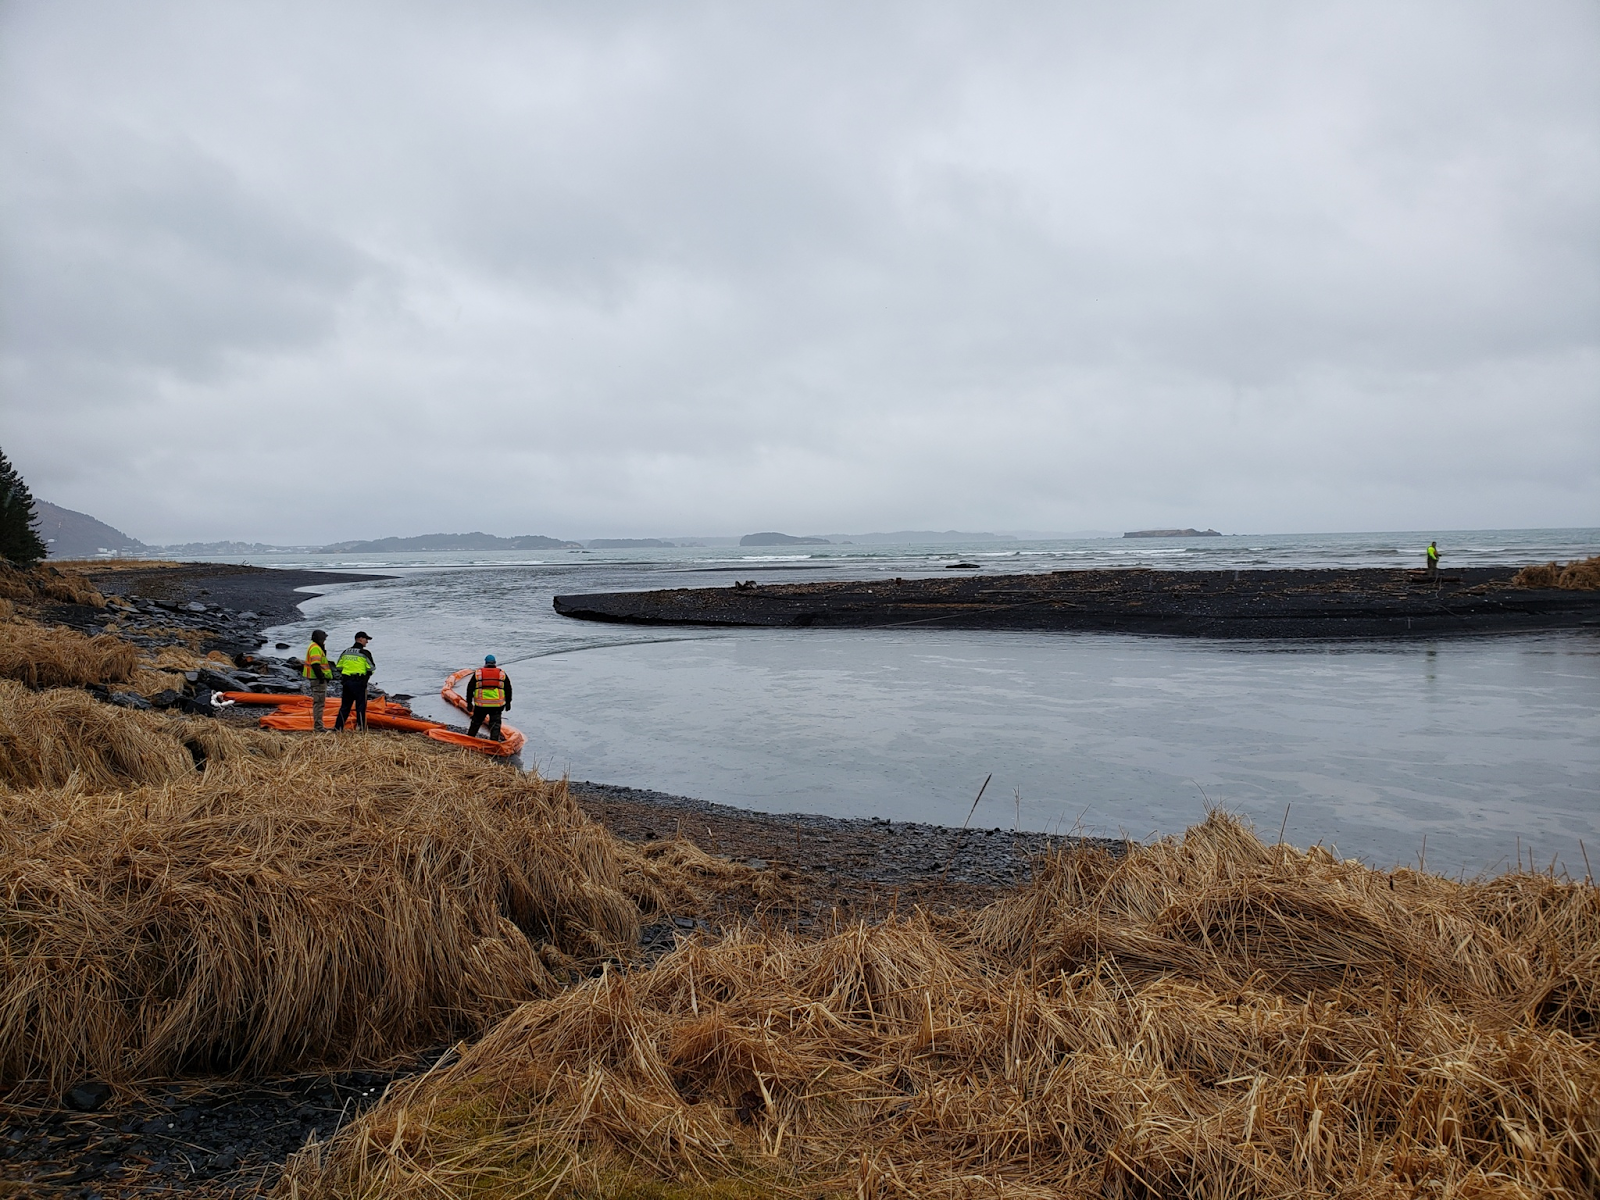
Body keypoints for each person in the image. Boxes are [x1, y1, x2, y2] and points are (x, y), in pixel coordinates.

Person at [333, 631, 376, 731]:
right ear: (360, 639)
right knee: (360, 707)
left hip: (347, 682)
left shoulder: (346, 651)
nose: (367, 642)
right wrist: (365, 680)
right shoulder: (365, 653)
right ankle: (361, 729)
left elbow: (338, 667)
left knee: (345, 707)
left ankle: (338, 728)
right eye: (366, 639)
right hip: (359, 682)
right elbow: (372, 669)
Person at [465, 653, 512, 742]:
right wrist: (508, 703)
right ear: (495, 663)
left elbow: (470, 688)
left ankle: (469, 740)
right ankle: (493, 743)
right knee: (495, 724)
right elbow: (508, 688)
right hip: (497, 705)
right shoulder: (502, 674)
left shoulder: (478, 673)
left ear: (485, 663)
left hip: (481, 705)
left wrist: (469, 703)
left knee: (476, 722)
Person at [301, 629, 332, 731]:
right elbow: (315, 665)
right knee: (319, 703)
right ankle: (318, 726)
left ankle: (318, 725)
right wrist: (322, 678)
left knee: (319, 703)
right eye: (323, 639)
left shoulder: (314, 646)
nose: (324, 641)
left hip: (315, 679)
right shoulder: (315, 648)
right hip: (317, 680)